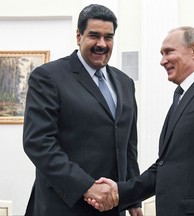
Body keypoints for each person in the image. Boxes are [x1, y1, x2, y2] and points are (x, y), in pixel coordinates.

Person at [87, 26, 194, 216]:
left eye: (169, 52)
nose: (162, 61)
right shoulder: (180, 99)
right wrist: (120, 191)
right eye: (161, 54)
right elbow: (165, 167)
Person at [23, 4, 142, 216]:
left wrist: (133, 198)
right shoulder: (48, 77)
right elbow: (38, 143)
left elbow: (128, 147)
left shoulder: (125, 82)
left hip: (113, 208)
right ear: (79, 36)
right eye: (94, 36)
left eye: (109, 37)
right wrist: (87, 186)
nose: (102, 44)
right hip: (63, 206)